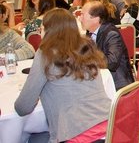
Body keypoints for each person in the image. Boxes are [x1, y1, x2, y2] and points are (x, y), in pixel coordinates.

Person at [15, 8, 110, 143]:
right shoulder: (87, 48)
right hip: (110, 128)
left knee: (29, 138)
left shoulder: (45, 53)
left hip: (76, 135)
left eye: (41, 28)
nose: (40, 33)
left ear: (49, 31)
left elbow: (22, 107)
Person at [80, 1, 134, 90]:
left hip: (116, 84)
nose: (80, 18)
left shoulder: (111, 34)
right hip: (100, 79)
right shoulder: (90, 33)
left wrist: (87, 62)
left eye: (82, 15)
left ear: (95, 19)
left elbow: (112, 62)